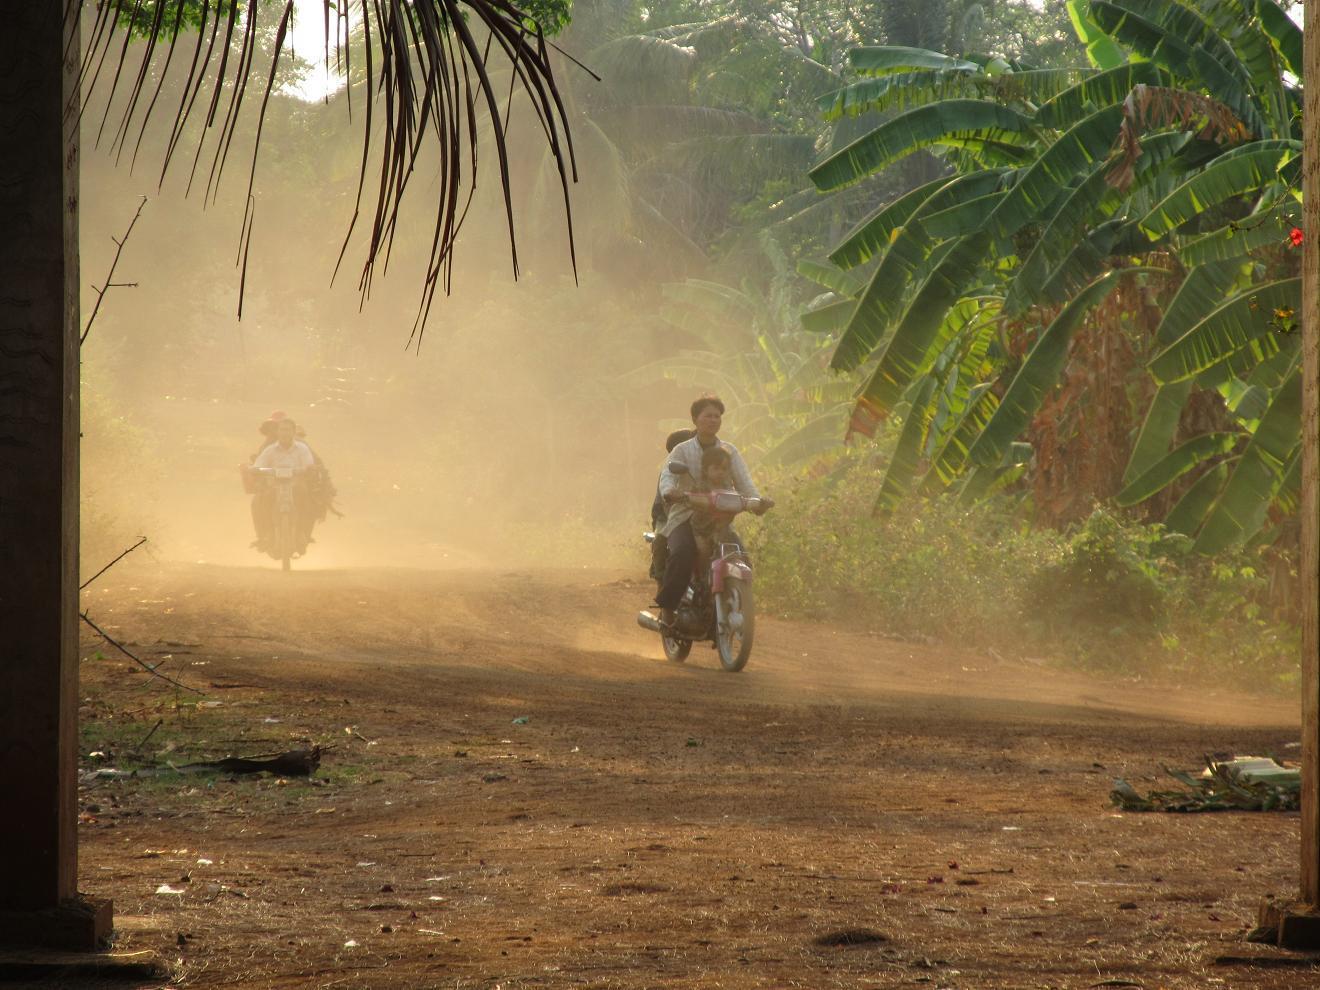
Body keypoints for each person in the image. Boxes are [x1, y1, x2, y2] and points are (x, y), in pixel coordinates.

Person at [654, 395, 767, 630]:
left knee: (741, 557)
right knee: (683, 553)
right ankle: (667, 611)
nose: (713, 420)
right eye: (708, 415)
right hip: (685, 515)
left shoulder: (729, 451)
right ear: (695, 419)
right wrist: (670, 491)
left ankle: (731, 601)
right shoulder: (682, 450)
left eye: (717, 416)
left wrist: (757, 501)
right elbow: (668, 476)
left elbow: (745, 483)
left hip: (719, 519)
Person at [251, 418, 316, 553]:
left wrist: (309, 469)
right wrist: (254, 469)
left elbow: (309, 464)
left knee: (307, 500)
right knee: (262, 501)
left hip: (297, 485)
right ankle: (267, 534)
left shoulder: (302, 449)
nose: (284, 433)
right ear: (277, 432)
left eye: (287, 430)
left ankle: (302, 534)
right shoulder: (270, 450)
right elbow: (258, 465)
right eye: (281, 430)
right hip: (274, 486)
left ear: (293, 432)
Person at [648, 428, 696, 581]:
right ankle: (660, 574)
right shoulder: (669, 471)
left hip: (697, 514)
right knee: (661, 540)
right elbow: (664, 500)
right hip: (666, 516)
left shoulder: (701, 467)